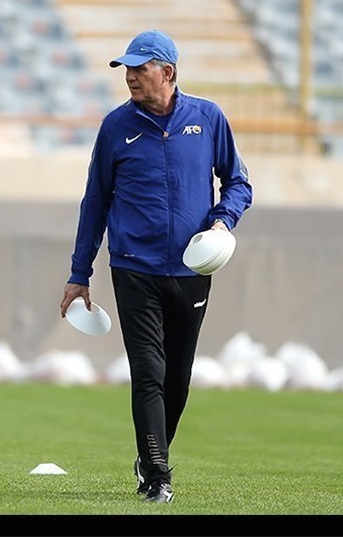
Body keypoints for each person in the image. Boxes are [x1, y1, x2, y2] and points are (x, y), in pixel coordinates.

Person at [59, 29, 253, 503]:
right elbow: (95, 202)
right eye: (126, 69)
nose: (130, 77)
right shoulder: (115, 127)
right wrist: (80, 273)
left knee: (177, 379)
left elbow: (238, 183)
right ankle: (157, 475)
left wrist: (222, 222)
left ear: (167, 72)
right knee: (148, 371)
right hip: (134, 268)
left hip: (192, 271)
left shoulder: (207, 118)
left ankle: (151, 456)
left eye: (139, 68)